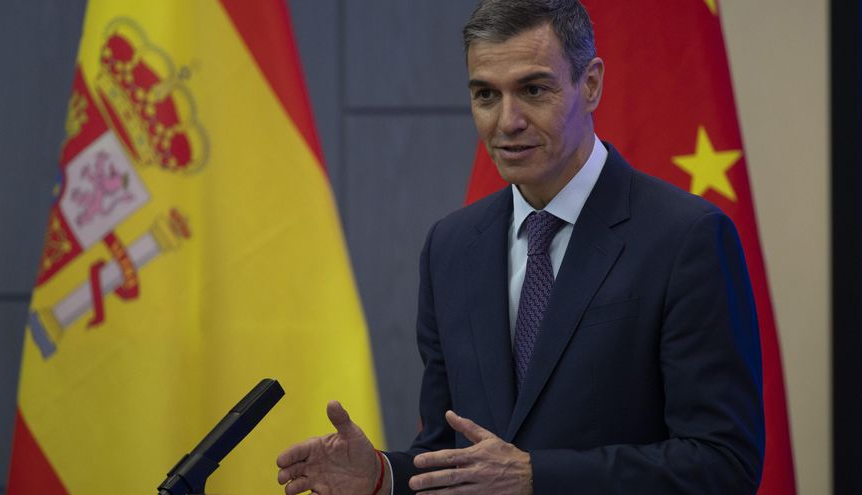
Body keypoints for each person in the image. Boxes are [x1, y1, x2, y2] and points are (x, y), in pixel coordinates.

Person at [276, 0, 765, 493]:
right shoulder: (451, 247)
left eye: (533, 90)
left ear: (590, 84)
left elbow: (722, 463)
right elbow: (453, 454)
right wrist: (383, 475)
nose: (507, 121)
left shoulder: (687, 237)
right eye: (486, 95)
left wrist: (537, 477)